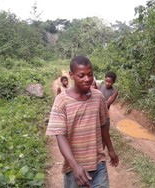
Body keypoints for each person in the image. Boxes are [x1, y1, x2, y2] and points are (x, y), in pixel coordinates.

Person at [46, 55, 119, 188]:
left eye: (90, 75)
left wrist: (111, 150)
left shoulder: (98, 97)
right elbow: (60, 136)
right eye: (82, 75)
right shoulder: (61, 101)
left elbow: (103, 126)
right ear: (71, 75)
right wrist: (74, 166)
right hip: (75, 169)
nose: (87, 79)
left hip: (98, 164)